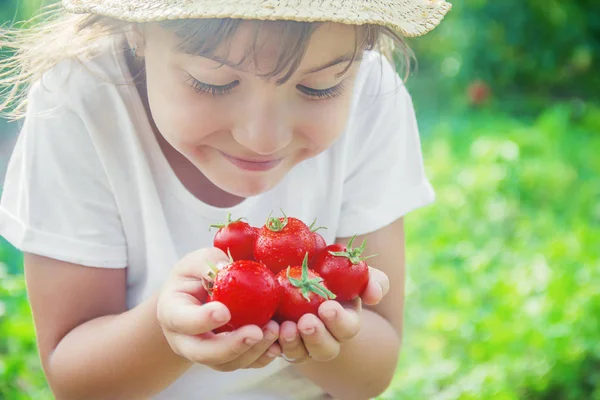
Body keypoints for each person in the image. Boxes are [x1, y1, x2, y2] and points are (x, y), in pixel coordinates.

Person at [0, 0, 450, 398]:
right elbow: (76, 383)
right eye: (212, 83)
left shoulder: (372, 96)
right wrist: (168, 327)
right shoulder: (80, 102)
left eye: (319, 88)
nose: (262, 139)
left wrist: (298, 318)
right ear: (138, 33)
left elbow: (372, 375)